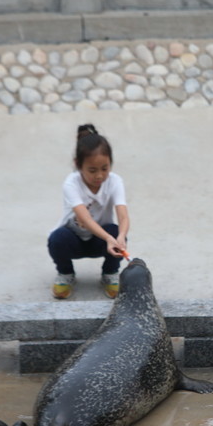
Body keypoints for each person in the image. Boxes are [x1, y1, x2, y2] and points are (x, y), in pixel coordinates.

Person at [48, 124, 130, 300]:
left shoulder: (115, 182)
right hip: (74, 240)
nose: (99, 176)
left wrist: (120, 237)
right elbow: (84, 219)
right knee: (56, 239)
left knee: (116, 231)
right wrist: (109, 239)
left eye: (105, 168)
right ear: (78, 165)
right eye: (92, 170)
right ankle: (65, 273)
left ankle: (110, 273)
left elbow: (123, 214)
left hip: (99, 242)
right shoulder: (71, 184)